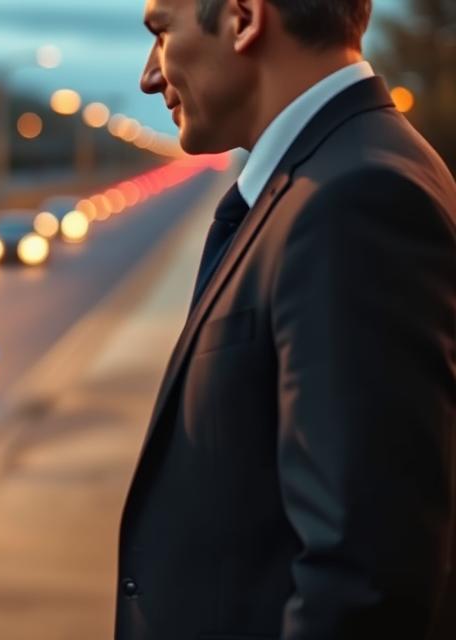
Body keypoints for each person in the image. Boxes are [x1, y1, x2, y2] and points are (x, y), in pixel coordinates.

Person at [117, 0, 456, 637]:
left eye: (161, 32)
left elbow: (363, 580)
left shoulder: (354, 201)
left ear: (244, 18)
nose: (149, 76)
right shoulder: (329, 177)